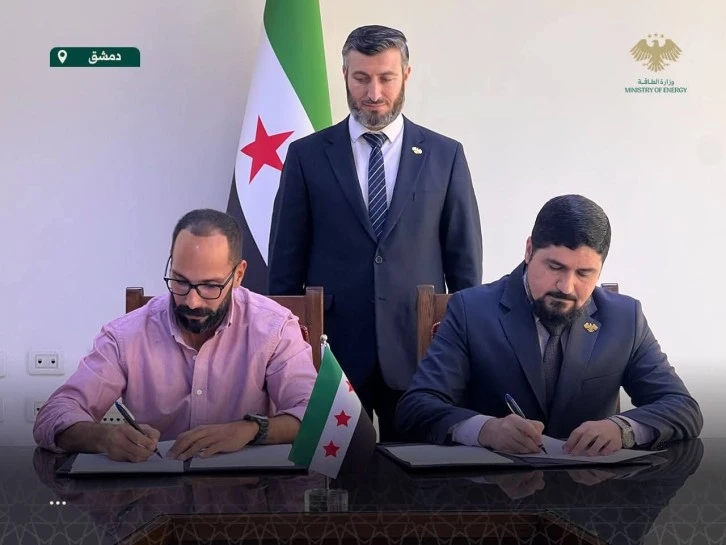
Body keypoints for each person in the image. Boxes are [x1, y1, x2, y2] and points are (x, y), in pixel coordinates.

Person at [268, 24, 482, 440]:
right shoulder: (306, 156)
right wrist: (287, 352)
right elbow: (285, 267)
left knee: (419, 471)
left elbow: (465, 266)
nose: (374, 93)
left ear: (406, 74)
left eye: (386, 78)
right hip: (331, 355)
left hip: (420, 352)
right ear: (344, 75)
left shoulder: (445, 155)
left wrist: (465, 348)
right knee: (334, 474)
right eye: (361, 78)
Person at [396, 194, 702, 454]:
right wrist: (485, 430)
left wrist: (622, 429)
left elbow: (682, 407)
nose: (566, 286)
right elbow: (416, 408)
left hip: (591, 492)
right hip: (495, 491)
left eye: (584, 273)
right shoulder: (470, 310)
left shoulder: (624, 318)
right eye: (555, 267)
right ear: (529, 250)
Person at [34, 209, 317, 462]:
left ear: (239, 275)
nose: (192, 302)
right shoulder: (126, 335)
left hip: (246, 497)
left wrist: (251, 430)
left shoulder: (274, 328)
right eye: (180, 281)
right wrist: (103, 438)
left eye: (210, 286)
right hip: (155, 496)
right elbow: (53, 415)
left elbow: (317, 416)